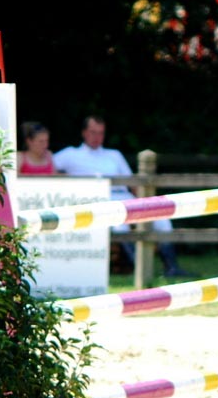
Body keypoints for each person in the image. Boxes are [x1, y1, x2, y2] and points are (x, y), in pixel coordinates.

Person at [54, 115, 195, 278]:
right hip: (102, 203)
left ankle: (171, 267)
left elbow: (133, 183)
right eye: (93, 132)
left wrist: (146, 202)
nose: (96, 137)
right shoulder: (70, 154)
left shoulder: (114, 155)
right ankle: (141, 270)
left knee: (163, 221)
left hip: (126, 198)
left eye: (100, 133)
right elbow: (44, 164)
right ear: (84, 133)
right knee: (121, 225)